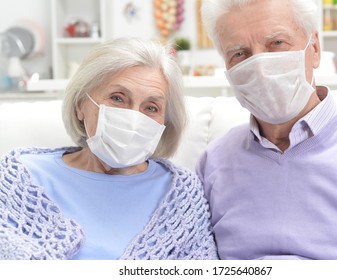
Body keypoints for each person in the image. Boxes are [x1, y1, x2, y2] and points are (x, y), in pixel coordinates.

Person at [196, 0, 337, 259]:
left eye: (277, 43)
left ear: (315, 49)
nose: (261, 67)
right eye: (239, 54)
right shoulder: (212, 162)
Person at [0, 37, 218, 260]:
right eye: (118, 98)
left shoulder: (181, 194)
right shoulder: (19, 176)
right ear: (80, 105)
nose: (134, 117)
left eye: (151, 107)